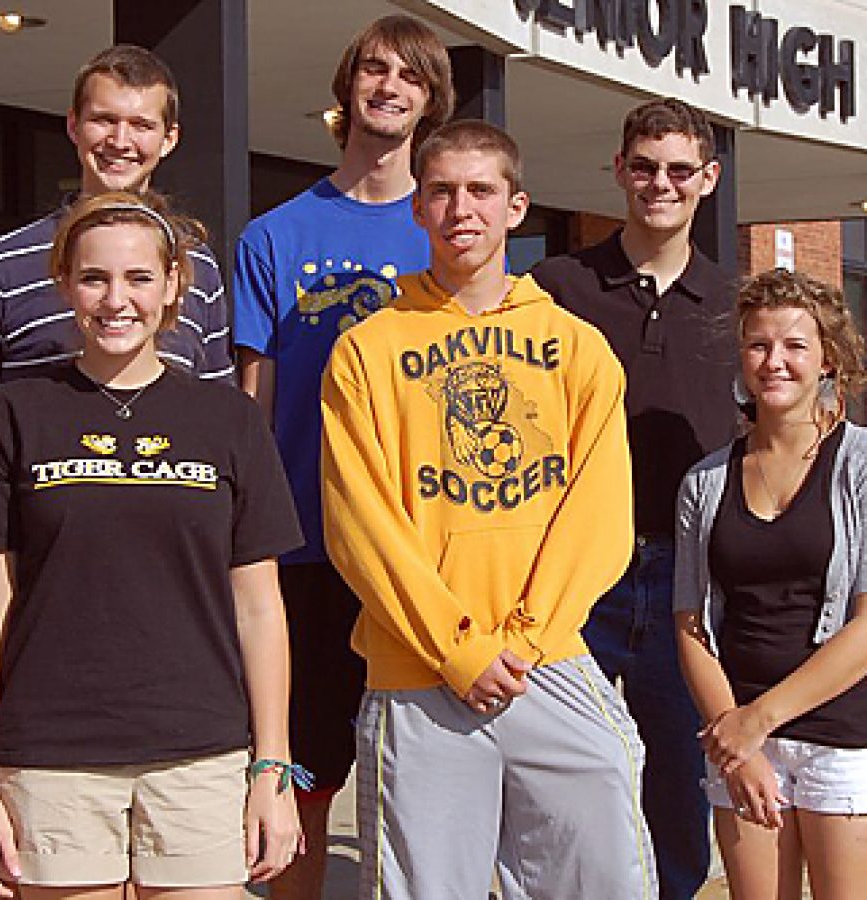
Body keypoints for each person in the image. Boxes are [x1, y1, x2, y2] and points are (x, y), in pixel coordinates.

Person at [321, 119, 656, 900]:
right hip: (417, 669)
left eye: (481, 190)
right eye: (440, 190)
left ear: (517, 207)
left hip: (551, 662)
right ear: (417, 207)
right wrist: (458, 649)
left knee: (603, 880)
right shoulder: (367, 351)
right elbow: (359, 524)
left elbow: (600, 513)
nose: (460, 208)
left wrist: (526, 638)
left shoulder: (577, 348)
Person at [0, 192, 304, 900]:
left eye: (139, 279)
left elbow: (260, 612)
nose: (116, 299)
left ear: (174, 285)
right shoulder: (11, 417)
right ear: (65, 285)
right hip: (54, 762)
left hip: (203, 757)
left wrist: (271, 770)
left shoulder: (229, 422)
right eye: (94, 279)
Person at [232, 15, 453, 897]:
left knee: (424, 791)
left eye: (409, 75)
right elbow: (255, 404)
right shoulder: (274, 238)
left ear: (430, 101)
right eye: (373, 69)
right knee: (306, 784)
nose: (388, 86)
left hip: (421, 552)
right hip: (304, 553)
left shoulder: (449, 231)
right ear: (347, 87)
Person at [531, 97, 737, 899]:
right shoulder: (557, 287)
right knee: (563, 766)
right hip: (579, 566)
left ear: (708, 179)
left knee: (681, 774)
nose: (661, 183)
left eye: (679, 169)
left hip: (689, 577)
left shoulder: (733, 303)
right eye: (645, 166)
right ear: (619, 171)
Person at [674, 268, 867, 899]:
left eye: (794, 346)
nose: (774, 362)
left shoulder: (860, 466)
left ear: (828, 359)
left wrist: (759, 720)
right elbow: (691, 625)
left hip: (840, 735)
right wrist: (741, 739)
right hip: (741, 736)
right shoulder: (704, 483)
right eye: (758, 345)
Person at [0, 44, 233, 417]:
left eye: (141, 125)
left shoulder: (196, 264)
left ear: (169, 139)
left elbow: (216, 404)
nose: (120, 141)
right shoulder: (0, 265)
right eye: (104, 120)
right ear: (73, 125)